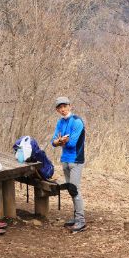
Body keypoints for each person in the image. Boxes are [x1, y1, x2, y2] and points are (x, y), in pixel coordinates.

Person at [50, 96, 86, 233]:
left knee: (75, 189)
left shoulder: (77, 121)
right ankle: (76, 218)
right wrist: (60, 141)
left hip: (76, 160)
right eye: (60, 107)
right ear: (57, 110)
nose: (63, 109)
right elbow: (53, 142)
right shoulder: (60, 122)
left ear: (70, 106)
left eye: (65, 106)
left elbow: (71, 143)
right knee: (71, 190)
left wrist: (60, 141)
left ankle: (81, 221)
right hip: (65, 159)